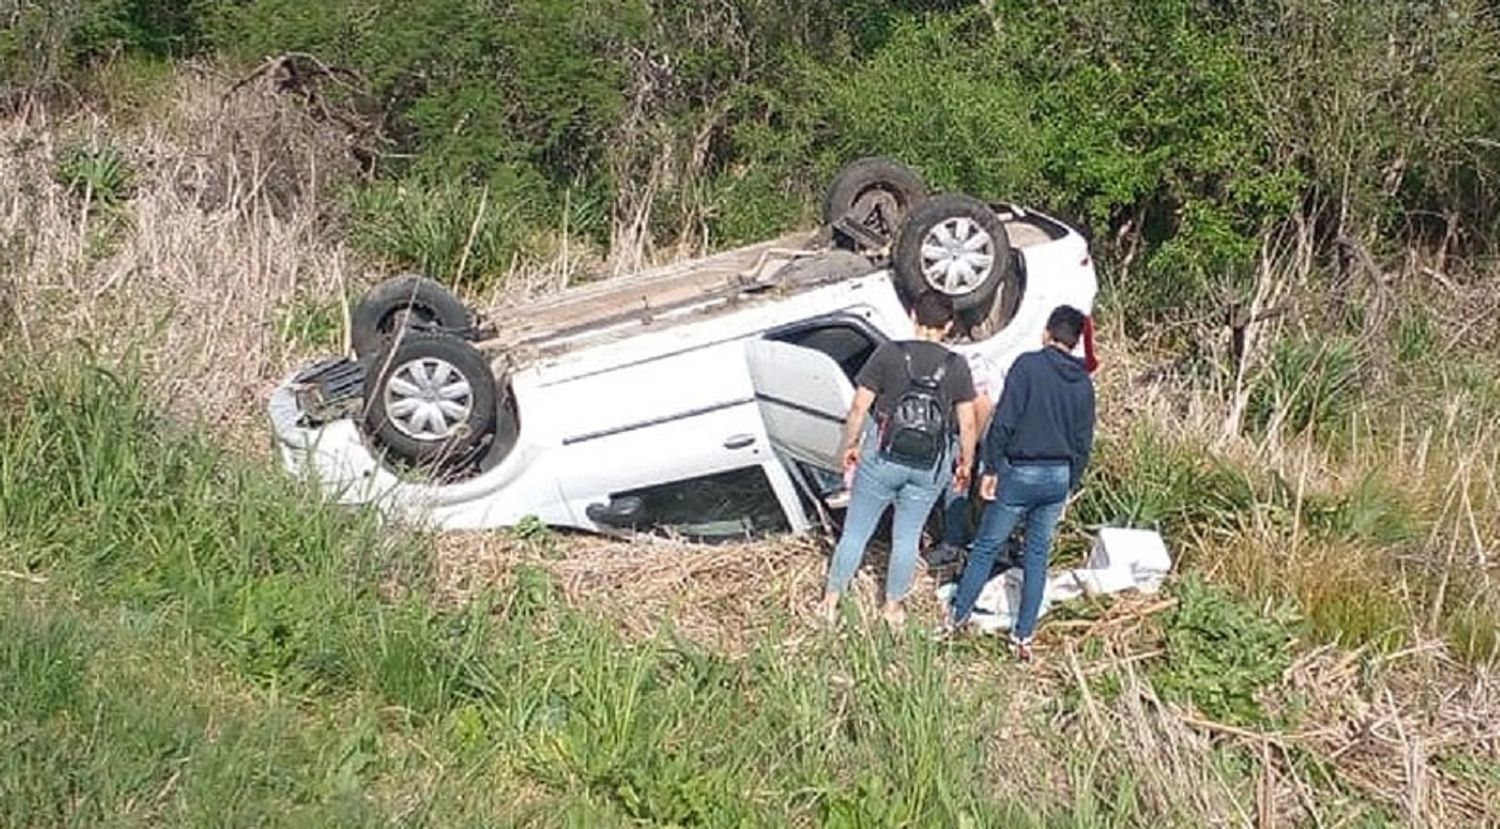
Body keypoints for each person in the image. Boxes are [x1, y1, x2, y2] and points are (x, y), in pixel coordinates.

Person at [819, 291, 979, 627]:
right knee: (907, 537)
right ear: (948, 325)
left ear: (912, 315)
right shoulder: (957, 366)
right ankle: (892, 607)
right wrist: (965, 463)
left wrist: (850, 444)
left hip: (882, 455)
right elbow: (967, 422)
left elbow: (859, 407)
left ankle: (831, 602)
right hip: (929, 465)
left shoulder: (889, 354)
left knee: (856, 532)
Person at [947, 305, 1096, 660]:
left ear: (1047, 333)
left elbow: (1005, 421)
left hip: (1021, 470)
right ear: (1075, 343)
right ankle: (1023, 635)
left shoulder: (1028, 366)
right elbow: (1082, 442)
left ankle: (957, 618)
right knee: (1037, 555)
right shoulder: (1083, 385)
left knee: (986, 545)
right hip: (1057, 475)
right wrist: (1069, 481)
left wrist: (991, 469)